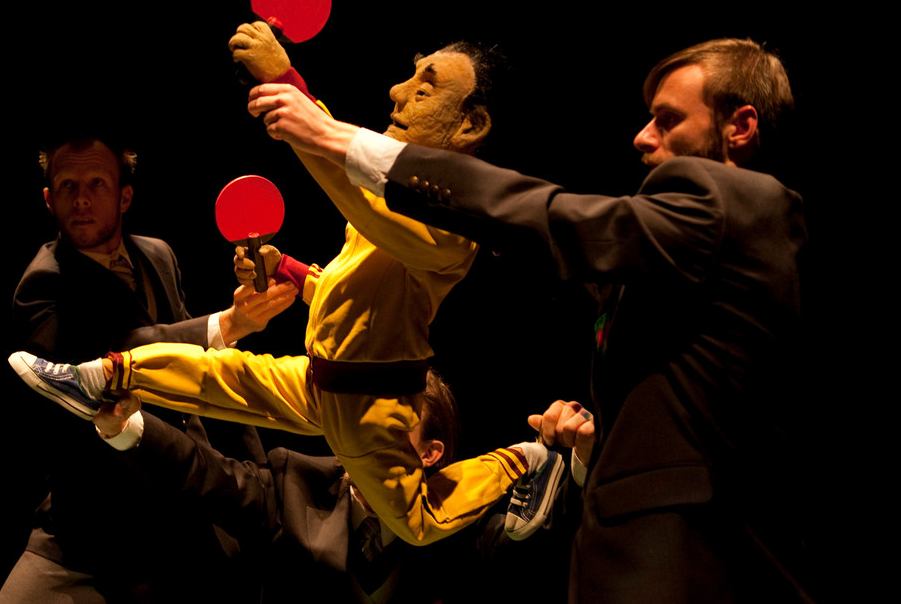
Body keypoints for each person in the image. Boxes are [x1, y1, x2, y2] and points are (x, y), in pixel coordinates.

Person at [245, 38, 814, 602]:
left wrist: (333, 136)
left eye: (668, 120)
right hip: (643, 554)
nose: (642, 137)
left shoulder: (739, 203)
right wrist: (592, 449)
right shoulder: (679, 267)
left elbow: (554, 220)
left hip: (697, 564)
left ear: (741, 126)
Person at [11, 23, 561, 549]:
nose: (398, 91)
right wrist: (290, 271)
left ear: (470, 126)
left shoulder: (452, 223)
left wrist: (287, 86)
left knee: (419, 521)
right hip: (321, 377)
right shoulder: (399, 199)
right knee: (215, 375)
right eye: (411, 76)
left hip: (369, 405)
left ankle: (527, 461)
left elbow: (353, 183)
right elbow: (350, 287)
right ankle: (97, 376)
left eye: (426, 86)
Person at [0, 129, 295, 604]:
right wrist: (224, 323)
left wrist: (255, 472)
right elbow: (110, 359)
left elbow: (207, 371)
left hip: (188, 499)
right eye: (68, 186)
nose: (81, 199)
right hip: (101, 521)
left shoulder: (158, 255)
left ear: (125, 196)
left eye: (96, 183)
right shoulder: (42, 284)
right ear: (49, 199)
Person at [91, 369, 493, 603]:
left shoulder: (455, 518)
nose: (362, 435)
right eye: (361, 418)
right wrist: (128, 428)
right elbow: (203, 474)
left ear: (429, 453)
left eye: (391, 428)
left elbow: (512, 540)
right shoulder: (294, 481)